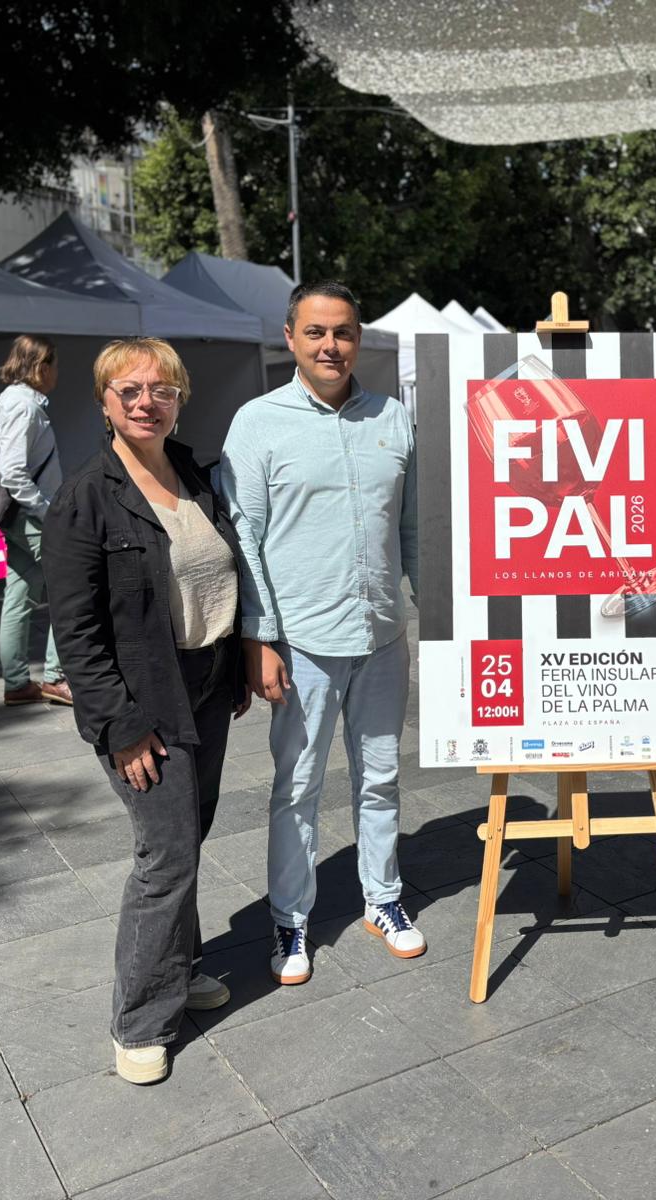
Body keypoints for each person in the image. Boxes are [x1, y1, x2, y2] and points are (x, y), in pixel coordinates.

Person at [44, 337, 251, 1085]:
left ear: (179, 397)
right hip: (142, 701)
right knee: (164, 855)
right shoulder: (86, 496)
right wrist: (120, 725)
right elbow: (76, 632)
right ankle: (140, 1018)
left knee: (188, 838)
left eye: (160, 390)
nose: (144, 401)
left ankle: (178, 966)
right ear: (103, 402)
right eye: (127, 390)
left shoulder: (194, 474)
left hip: (204, 681)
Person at [220, 279, 421, 988]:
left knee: (383, 779)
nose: (330, 345)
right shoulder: (257, 423)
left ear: (358, 339)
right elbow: (243, 537)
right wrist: (257, 638)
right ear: (290, 338)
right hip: (300, 643)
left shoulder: (393, 420)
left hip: (381, 635)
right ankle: (291, 915)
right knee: (297, 787)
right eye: (316, 332)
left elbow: (412, 527)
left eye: (342, 332)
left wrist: (435, 609)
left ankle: (383, 899)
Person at [0, 334, 72, 706]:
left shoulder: (8, 400)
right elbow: (13, 472)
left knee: (18, 593)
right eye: (54, 365)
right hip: (31, 515)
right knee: (71, 589)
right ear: (41, 367)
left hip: (10, 515)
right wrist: (47, 510)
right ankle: (56, 676)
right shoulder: (25, 406)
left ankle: (17, 683)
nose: (56, 373)